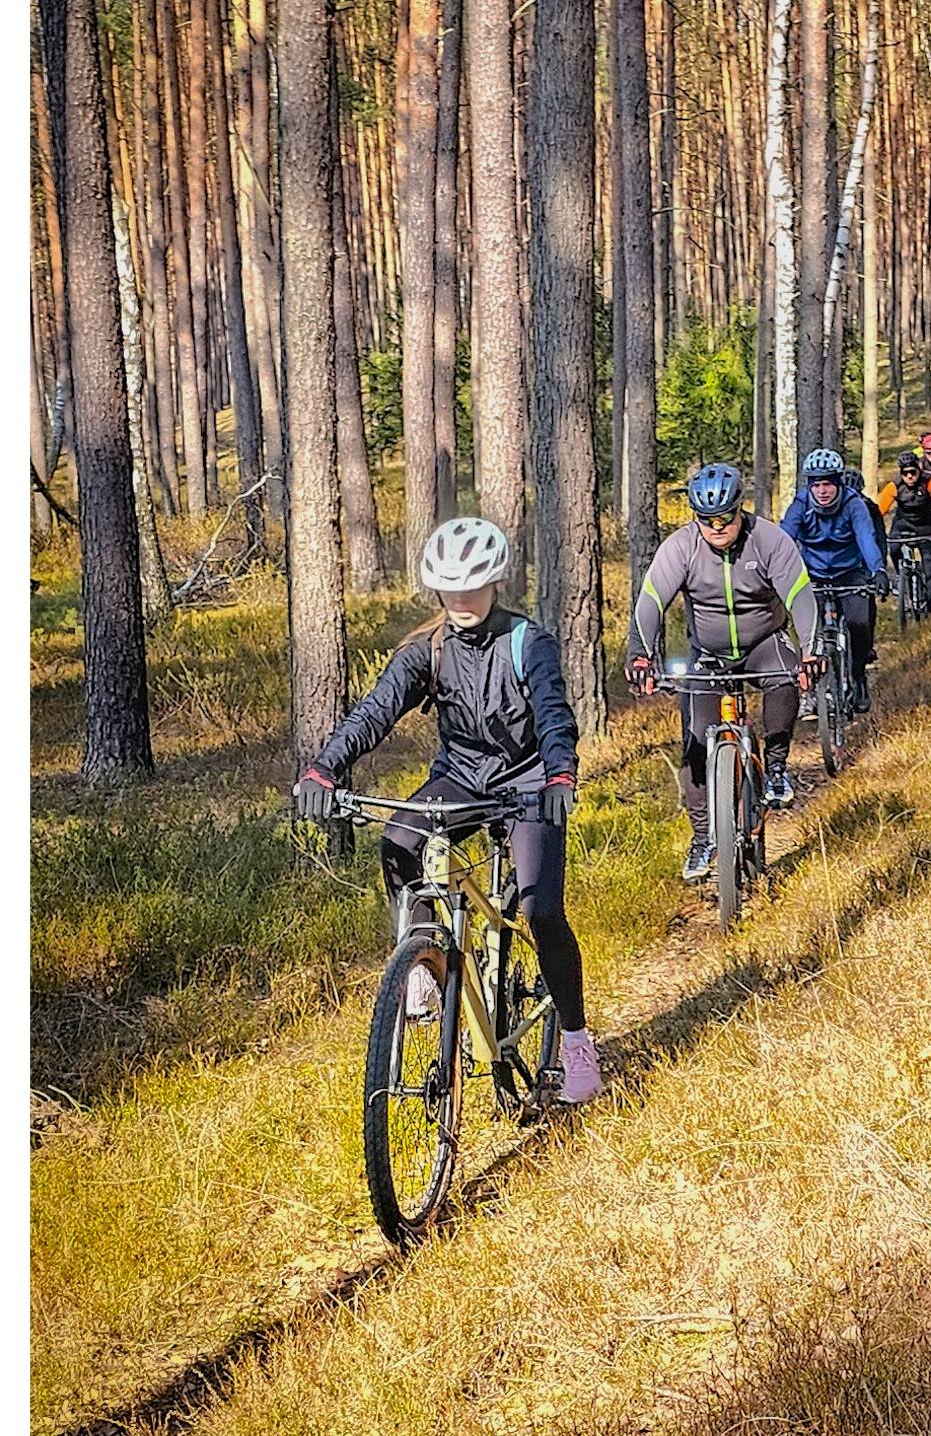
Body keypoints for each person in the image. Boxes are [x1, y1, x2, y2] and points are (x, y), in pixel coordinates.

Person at [293, 516, 602, 1103]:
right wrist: (325, 767)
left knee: (540, 911)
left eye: (473, 587)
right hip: (460, 779)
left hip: (528, 784)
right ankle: (424, 962)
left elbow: (554, 715)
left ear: (495, 582)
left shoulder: (527, 643)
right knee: (398, 841)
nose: (461, 600)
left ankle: (576, 1042)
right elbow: (375, 711)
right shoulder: (427, 650)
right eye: (450, 589)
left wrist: (561, 773)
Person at [626, 462, 822, 883]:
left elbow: (800, 596)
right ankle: (703, 837)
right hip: (708, 654)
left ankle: (776, 767)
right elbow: (651, 600)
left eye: (725, 518)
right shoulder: (681, 547)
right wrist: (640, 656)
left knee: (785, 677)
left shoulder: (769, 540)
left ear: (739, 510)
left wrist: (811, 652)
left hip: (764, 642)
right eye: (706, 520)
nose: (716, 527)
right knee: (696, 742)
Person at [780, 449, 890, 715]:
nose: (822, 491)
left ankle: (858, 675)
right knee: (809, 633)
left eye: (828, 484)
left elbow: (866, 538)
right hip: (812, 574)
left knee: (859, 625)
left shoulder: (854, 504)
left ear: (838, 483)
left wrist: (878, 569)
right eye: (816, 484)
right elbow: (783, 540)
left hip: (850, 571)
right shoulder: (801, 504)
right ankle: (810, 692)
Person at [877, 450, 931, 609]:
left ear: (919, 469)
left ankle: (929, 603)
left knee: (930, 568)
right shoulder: (894, 486)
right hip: (902, 524)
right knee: (893, 548)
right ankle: (902, 577)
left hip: (926, 526)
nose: (909, 476)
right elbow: (879, 510)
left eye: (912, 472)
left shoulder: (930, 482)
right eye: (905, 473)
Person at [843, 466, 888, 668]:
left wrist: (879, 568)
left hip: (864, 563)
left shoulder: (869, 507)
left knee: (867, 603)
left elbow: (878, 537)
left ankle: (865, 647)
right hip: (840, 565)